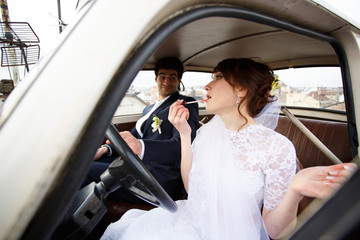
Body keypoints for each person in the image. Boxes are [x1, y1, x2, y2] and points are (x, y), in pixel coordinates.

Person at [100, 58, 357, 239]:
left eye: (218, 77)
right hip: (188, 221)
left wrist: (295, 190)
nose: (207, 86)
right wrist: (185, 135)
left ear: (241, 90)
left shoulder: (277, 147)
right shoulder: (207, 131)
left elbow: (275, 232)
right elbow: (193, 189)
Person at [84, 56, 199, 203]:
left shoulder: (184, 104)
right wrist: (106, 149)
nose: (166, 82)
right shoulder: (148, 109)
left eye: (172, 77)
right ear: (156, 79)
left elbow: (181, 145)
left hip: (158, 177)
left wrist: (141, 146)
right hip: (135, 165)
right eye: (162, 76)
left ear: (179, 81)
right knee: (83, 166)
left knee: (84, 173)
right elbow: (133, 135)